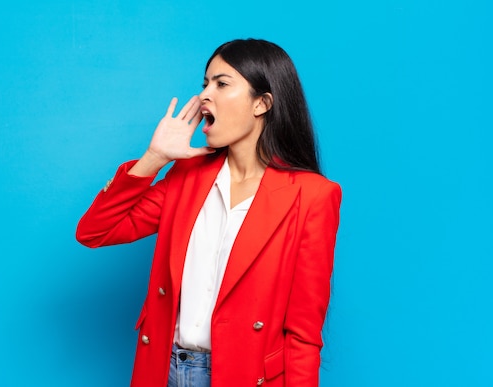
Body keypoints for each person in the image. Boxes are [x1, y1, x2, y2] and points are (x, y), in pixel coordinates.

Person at [76, 38, 342, 387]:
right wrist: (154, 158)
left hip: (246, 376)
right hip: (164, 370)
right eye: (205, 84)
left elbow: (304, 333)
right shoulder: (187, 177)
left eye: (221, 84)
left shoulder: (312, 196)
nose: (205, 95)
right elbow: (95, 231)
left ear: (262, 104)